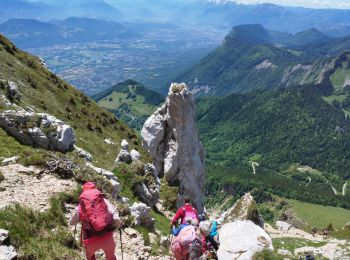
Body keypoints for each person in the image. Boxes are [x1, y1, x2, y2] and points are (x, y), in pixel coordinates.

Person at [70, 182, 123, 260]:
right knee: (111, 257)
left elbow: (72, 223)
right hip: (107, 236)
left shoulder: (81, 206)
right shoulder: (103, 200)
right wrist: (118, 224)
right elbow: (114, 215)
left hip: (90, 239)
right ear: (95, 189)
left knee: (90, 257)